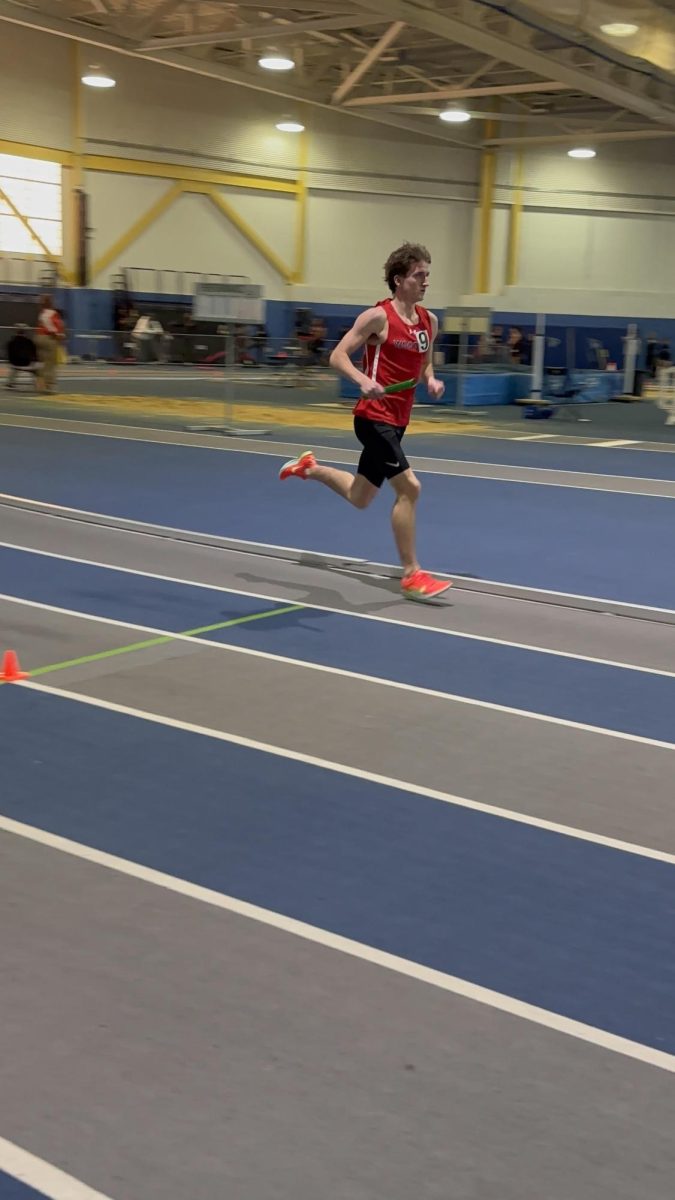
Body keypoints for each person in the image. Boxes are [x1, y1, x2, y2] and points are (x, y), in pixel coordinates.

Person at [279, 242, 451, 601]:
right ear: (399, 279)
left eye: (427, 276)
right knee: (410, 489)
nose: (425, 282)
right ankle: (412, 575)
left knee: (360, 497)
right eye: (420, 275)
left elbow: (424, 363)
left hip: (398, 420)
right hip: (373, 418)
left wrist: (430, 380)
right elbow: (337, 356)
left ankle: (308, 468)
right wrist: (362, 381)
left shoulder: (428, 322)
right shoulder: (377, 318)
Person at [35, 294, 65, 393]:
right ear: (50, 302)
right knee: (50, 363)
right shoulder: (51, 312)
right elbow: (50, 323)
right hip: (48, 338)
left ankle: (40, 384)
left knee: (41, 362)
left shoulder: (42, 312)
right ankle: (49, 385)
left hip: (39, 337)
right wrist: (57, 334)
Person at [6, 323, 39, 388]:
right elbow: (34, 353)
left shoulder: (11, 342)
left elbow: (9, 354)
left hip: (14, 363)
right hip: (26, 363)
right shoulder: (29, 342)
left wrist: (11, 362)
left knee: (14, 369)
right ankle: (39, 385)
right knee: (36, 371)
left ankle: (10, 383)